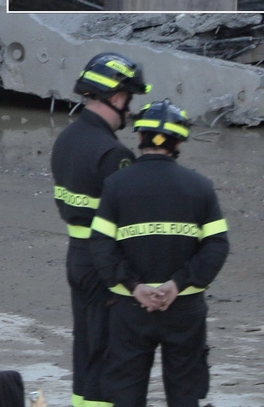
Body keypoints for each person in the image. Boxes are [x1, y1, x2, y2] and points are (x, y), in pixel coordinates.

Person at [91, 101, 230, 407]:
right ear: (178, 141)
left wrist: (135, 287)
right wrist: (177, 284)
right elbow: (217, 245)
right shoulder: (201, 188)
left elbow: (100, 245)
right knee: (185, 394)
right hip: (184, 310)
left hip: (130, 310)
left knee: (125, 393)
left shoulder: (115, 186)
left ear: (140, 137)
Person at [51, 53, 150, 407]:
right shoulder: (113, 153)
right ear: (118, 97)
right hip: (105, 264)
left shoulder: (66, 139)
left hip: (77, 258)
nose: (129, 109)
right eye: (130, 99)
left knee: (87, 347)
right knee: (112, 351)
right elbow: (132, 223)